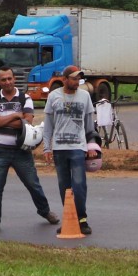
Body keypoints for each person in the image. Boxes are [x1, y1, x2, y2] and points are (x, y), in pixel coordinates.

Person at [0, 66, 58, 233]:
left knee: (33, 184)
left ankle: (45, 211)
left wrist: (4, 119)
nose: (7, 82)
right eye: (3, 79)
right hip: (0, 150)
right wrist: (16, 116)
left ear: (14, 79)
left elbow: (27, 122)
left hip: (21, 150)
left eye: (10, 78)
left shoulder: (25, 98)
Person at [42, 65, 97, 236]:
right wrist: (46, 147)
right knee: (64, 187)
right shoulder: (53, 96)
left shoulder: (85, 96)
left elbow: (89, 124)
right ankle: (69, 218)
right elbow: (48, 124)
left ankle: (82, 219)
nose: (76, 81)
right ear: (65, 79)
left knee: (79, 185)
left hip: (77, 148)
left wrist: (91, 144)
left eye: (78, 78)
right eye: (73, 78)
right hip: (59, 148)